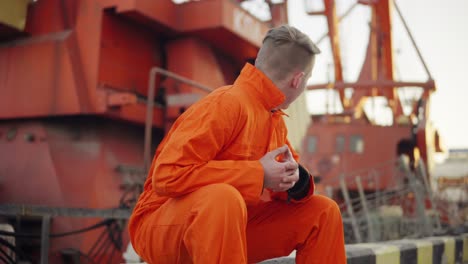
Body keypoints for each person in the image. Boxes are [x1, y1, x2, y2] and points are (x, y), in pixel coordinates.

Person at [128, 25, 346, 264]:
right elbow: (167, 176)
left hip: (230, 227)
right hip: (161, 226)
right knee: (223, 199)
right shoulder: (226, 104)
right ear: (298, 80)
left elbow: (279, 194)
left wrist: (294, 181)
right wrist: (259, 174)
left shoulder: (273, 118)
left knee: (324, 212)